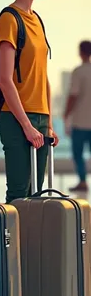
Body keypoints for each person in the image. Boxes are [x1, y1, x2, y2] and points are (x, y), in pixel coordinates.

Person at [0, 0, 59, 203]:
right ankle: (11, 242)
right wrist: (26, 126)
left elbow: (43, 78)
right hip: (15, 118)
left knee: (37, 194)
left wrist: (49, 124)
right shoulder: (10, 18)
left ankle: (33, 243)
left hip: (40, 119)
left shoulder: (38, 21)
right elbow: (5, 79)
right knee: (18, 194)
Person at [64, 40, 91, 192]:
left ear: (80, 52)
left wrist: (66, 114)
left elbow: (73, 96)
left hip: (80, 122)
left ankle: (82, 181)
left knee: (78, 154)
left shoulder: (78, 71)